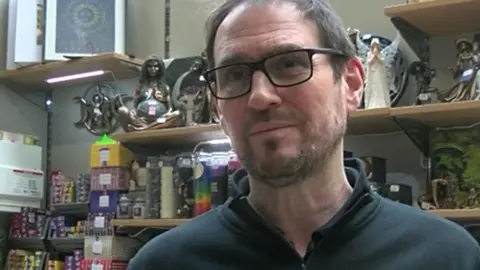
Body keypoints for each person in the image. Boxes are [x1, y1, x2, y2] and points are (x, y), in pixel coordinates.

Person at [127, 0, 480, 269]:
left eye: (290, 63)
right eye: (235, 74)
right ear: (217, 106)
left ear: (352, 84)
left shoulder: (447, 256)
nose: (260, 96)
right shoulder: (163, 263)